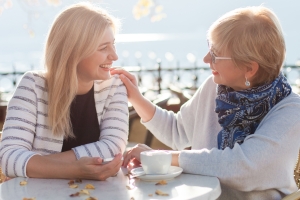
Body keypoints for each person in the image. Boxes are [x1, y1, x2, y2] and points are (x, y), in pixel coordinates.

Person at [110, 5, 300, 200]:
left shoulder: (291, 110)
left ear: (249, 69)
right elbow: (177, 131)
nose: (206, 58)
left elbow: (245, 167)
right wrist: (136, 98)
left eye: (216, 54)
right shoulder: (215, 87)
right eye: (209, 47)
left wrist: (160, 158)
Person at [0, 2, 128, 180]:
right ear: (74, 51)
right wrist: (74, 170)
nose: (114, 56)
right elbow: (8, 158)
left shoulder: (114, 87)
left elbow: (113, 148)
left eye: (113, 45)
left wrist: (35, 165)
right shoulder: (33, 87)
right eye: (103, 48)